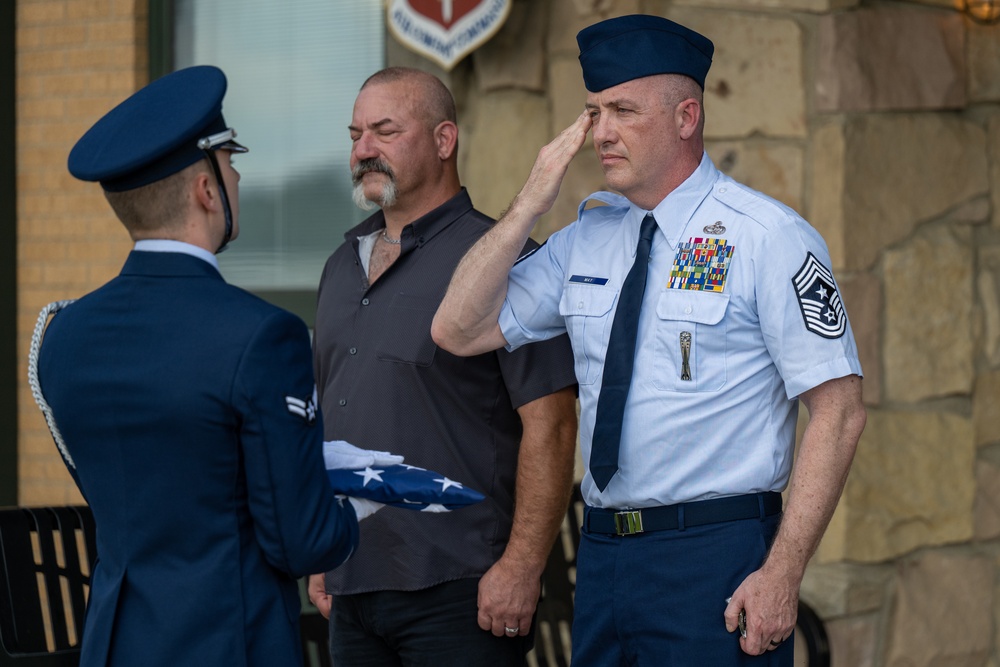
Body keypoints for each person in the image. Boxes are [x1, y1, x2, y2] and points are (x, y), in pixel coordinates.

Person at [432, 14, 867, 666]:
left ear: (686, 117)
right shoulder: (586, 237)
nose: (599, 132)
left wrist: (783, 572)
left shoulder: (767, 237)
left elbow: (840, 411)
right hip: (605, 555)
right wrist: (528, 204)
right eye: (592, 112)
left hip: (717, 553)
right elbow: (457, 329)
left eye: (622, 111)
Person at [34, 65, 362, 667]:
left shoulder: (63, 335)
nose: (237, 176)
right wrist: (358, 506)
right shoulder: (263, 336)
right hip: (226, 641)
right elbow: (301, 540)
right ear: (205, 191)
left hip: (114, 643)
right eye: (229, 160)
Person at [305, 67, 579, 666]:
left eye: (384, 131)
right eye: (355, 134)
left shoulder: (507, 263)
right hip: (352, 586)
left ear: (444, 140)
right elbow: (331, 418)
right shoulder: (339, 266)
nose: (363, 150)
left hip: (462, 588)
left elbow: (553, 424)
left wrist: (524, 566)